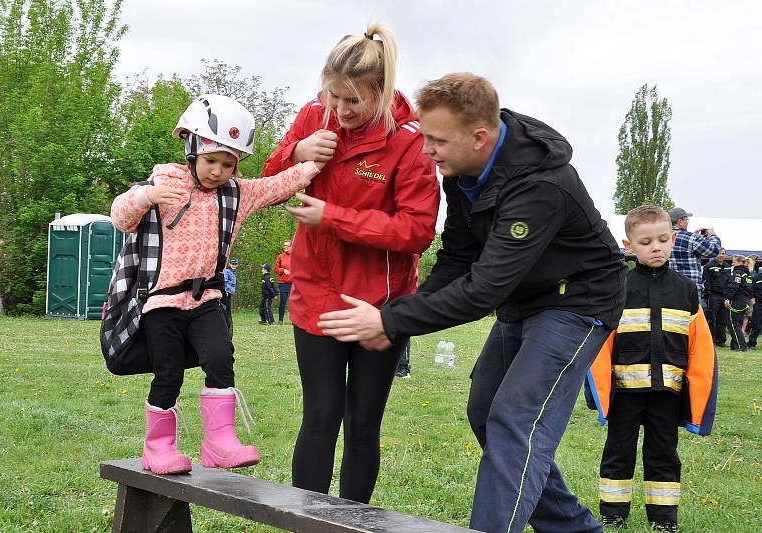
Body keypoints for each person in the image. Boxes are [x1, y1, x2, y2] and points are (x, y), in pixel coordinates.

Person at [318, 72, 626, 532]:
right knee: (484, 412)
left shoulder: (541, 185)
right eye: (425, 137)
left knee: (514, 421)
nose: (427, 150)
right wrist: (400, 315)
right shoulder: (463, 171)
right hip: (524, 299)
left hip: (576, 303)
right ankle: (574, 529)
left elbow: (484, 289)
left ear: (480, 136)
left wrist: (389, 321)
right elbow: (460, 256)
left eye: (437, 140)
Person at [261, 23, 439, 503]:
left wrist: (333, 218)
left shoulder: (410, 139)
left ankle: (352, 520)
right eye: (332, 97)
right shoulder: (314, 117)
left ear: (381, 93)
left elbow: (417, 231)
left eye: (352, 102)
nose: (339, 111)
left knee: (363, 424)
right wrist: (296, 153)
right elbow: (268, 183)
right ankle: (307, 521)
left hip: (377, 305)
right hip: (315, 293)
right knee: (319, 417)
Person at [110, 94, 324, 475]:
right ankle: (158, 447)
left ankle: (220, 442)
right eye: (211, 161)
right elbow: (121, 216)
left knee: (220, 358)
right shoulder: (164, 184)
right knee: (169, 371)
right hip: (162, 301)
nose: (218, 171)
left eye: (228, 164)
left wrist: (313, 161)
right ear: (192, 150)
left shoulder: (236, 195)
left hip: (207, 296)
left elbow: (281, 184)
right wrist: (146, 196)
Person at [587, 205, 718, 533]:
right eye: (645, 242)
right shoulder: (620, 288)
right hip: (625, 394)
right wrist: (596, 392)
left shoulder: (687, 291)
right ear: (628, 246)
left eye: (662, 239)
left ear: (674, 239)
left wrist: (696, 395)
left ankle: (663, 519)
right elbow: (600, 345)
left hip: (667, 394)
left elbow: (699, 348)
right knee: (619, 451)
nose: (656, 247)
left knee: (664, 454)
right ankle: (613, 513)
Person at [668, 207, 721, 300]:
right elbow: (714, 250)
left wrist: (695, 235)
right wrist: (712, 235)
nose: (688, 222)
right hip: (689, 288)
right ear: (680, 221)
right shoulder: (692, 238)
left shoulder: (663, 237)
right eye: (686, 219)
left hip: (669, 287)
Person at [702, 248, 731, 347]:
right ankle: (710, 340)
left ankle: (721, 341)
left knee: (722, 319)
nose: (721, 255)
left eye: (723, 253)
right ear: (715, 254)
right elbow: (706, 282)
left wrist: (728, 296)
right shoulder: (709, 266)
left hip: (724, 296)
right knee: (711, 318)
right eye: (719, 253)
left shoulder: (727, 267)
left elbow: (729, 282)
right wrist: (709, 294)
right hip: (713, 295)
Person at [725, 255, 754, 351]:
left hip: (737, 301)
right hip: (745, 302)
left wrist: (728, 298)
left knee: (733, 323)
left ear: (739, 262)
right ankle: (734, 346)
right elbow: (750, 289)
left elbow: (734, 287)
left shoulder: (738, 273)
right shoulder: (748, 274)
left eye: (733, 262)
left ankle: (741, 345)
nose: (732, 264)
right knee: (737, 323)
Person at [274, 240, 293, 324]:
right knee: (283, 302)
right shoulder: (280, 257)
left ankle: (294, 321)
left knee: (294, 303)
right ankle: (281, 320)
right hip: (283, 283)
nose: (285, 247)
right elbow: (276, 269)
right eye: (284, 245)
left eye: (287, 246)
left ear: (292, 246)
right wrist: (283, 270)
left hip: (294, 283)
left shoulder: (297, 256)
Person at [221, 257, 239, 339]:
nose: (234, 265)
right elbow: (225, 282)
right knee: (226, 310)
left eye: (235, 264)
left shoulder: (234, 272)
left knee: (228, 310)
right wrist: (227, 292)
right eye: (232, 263)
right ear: (229, 264)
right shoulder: (227, 271)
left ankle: (226, 325)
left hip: (230, 293)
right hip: (226, 294)